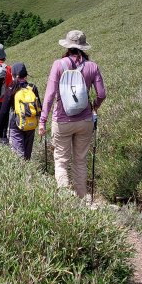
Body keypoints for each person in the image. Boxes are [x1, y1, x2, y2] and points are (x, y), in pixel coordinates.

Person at [38, 30, 106, 198]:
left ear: (67, 46)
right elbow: (101, 94)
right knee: (80, 161)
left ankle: (65, 200)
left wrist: (42, 121)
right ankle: (81, 199)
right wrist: (94, 106)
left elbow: (49, 95)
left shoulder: (58, 65)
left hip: (62, 120)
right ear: (83, 47)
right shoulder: (92, 66)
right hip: (85, 120)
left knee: (61, 161)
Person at [0, 62, 39, 160]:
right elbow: (39, 107)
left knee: (19, 155)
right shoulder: (32, 88)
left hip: (16, 124)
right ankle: (28, 168)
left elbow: (4, 111)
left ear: (13, 75)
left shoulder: (11, 88)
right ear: (26, 75)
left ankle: (22, 168)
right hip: (31, 123)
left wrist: (2, 132)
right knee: (27, 155)